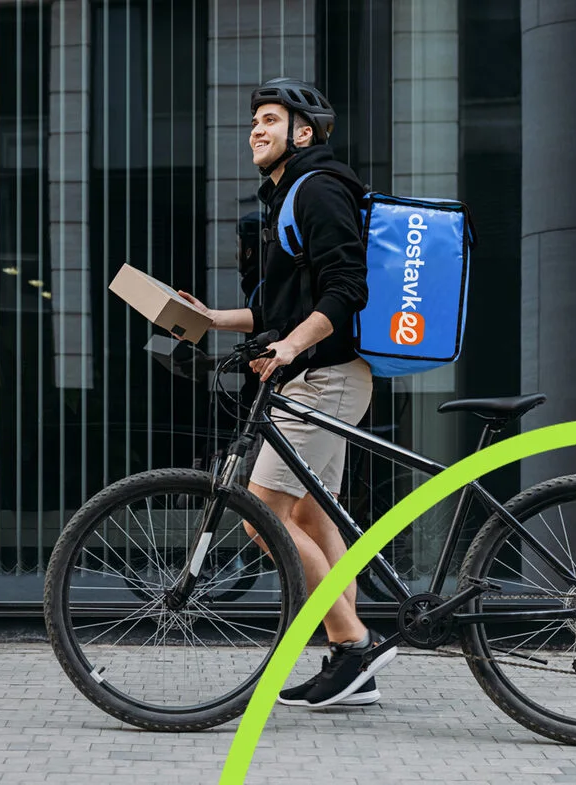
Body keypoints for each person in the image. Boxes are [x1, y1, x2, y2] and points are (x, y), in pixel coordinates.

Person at [177, 77, 397, 709]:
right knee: (306, 515)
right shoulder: (286, 197)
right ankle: (351, 665)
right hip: (323, 374)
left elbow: (345, 289)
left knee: (259, 514)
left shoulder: (318, 187)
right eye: (255, 120)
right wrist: (216, 319)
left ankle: (352, 645)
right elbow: (283, 306)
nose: (256, 129)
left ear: (303, 133)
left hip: (322, 376)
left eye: (270, 119)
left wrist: (293, 348)